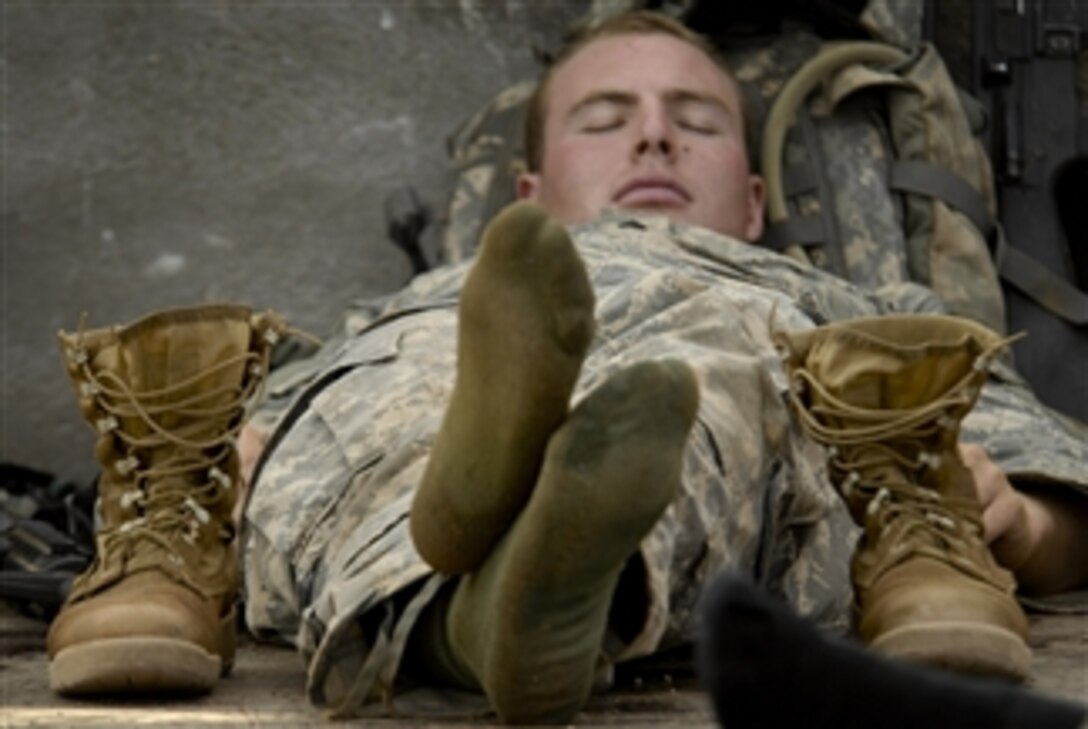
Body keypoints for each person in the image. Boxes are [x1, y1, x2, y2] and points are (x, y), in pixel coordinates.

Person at [45, 10, 1088, 724]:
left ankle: (505, 589)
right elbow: (277, 437)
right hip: (438, 364)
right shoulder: (398, 313)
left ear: (755, 203)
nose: (653, 140)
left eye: (695, 121)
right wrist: (237, 468)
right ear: (528, 192)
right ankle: (500, 587)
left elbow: (1055, 489)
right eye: (606, 118)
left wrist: (1017, 518)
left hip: (741, 373)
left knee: (694, 379)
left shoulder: (857, 314)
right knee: (378, 413)